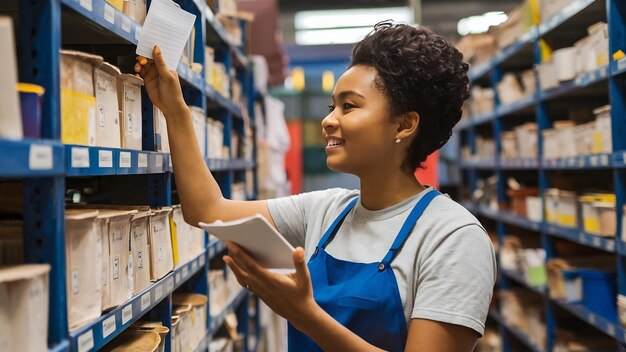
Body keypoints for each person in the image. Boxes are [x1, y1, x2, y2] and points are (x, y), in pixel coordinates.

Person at [135, 21, 496, 352]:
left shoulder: (453, 236)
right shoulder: (327, 211)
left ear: (404, 125)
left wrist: (305, 315)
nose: (327, 121)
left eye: (349, 107)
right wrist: (175, 111)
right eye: (331, 106)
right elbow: (207, 210)